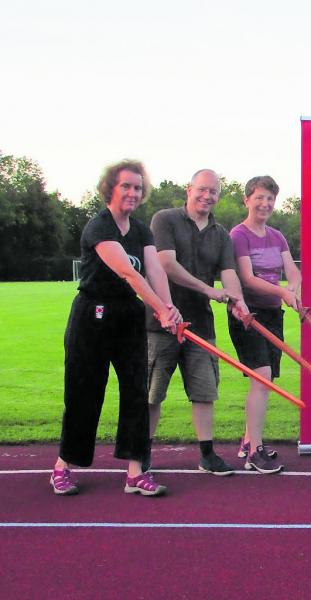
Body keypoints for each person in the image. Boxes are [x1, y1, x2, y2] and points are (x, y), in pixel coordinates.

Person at [51, 160, 181, 497]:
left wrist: (169, 309)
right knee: (83, 392)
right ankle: (63, 466)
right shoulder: (98, 226)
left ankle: (136, 472)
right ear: (111, 188)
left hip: (128, 318)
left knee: (137, 393)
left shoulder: (141, 231)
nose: (133, 193)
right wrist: (160, 310)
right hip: (91, 316)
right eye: (126, 186)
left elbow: (155, 271)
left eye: (138, 187)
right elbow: (129, 273)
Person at [147, 169, 249, 475]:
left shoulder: (221, 234)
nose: (207, 196)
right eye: (202, 190)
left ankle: (207, 455)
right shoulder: (164, 219)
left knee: (205, 392)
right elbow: (166, 264)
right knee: (151, 393)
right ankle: (143, 452)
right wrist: (209, 290)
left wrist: (238, 301)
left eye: (214, 192)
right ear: (189, 189)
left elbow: (229, 274)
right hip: (161, 321)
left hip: (201, 325)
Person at [227, 176, 301, 474]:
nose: (265, 204)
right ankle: (254, 451)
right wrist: (282, 291)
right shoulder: (238, 235)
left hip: (272, 314)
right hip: (248, 314)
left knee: (265, 381)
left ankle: (249, 440)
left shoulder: (277, 236)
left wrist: (292, 290)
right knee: (263, 376)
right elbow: (247, 278)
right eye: (259, 197)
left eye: (270, 199)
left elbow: (293, 272)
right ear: (247, 200)